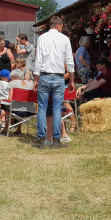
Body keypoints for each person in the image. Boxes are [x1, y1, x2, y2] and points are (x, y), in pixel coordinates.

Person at [33, 16, 75, 149]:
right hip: (58, 77)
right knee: (57, 109)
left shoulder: (42, 38)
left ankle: (41, 139)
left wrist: (35, 78)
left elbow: (38, 59)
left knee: (42, 108)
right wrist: (72, 81)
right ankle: (56, 140)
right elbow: (69, 61)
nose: (62, 28)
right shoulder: (64, 39)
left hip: (44, 76)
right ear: (58, 25)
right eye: (62, 26)